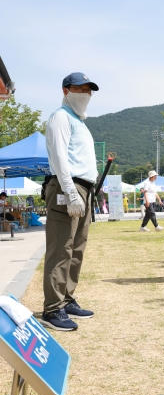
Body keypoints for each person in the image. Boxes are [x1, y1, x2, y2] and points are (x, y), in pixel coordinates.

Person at [42, 72, 99, 331]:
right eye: (81, 89)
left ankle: (66, 298)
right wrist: (71, 191)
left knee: (77, 247)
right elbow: (60, 158)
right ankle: (53, 308)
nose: (86, 94)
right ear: (66, 90)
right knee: (61, 247)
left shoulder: (80, 122)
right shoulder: (60, 117)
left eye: (89, 90)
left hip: (84, 188)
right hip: (68, 186)